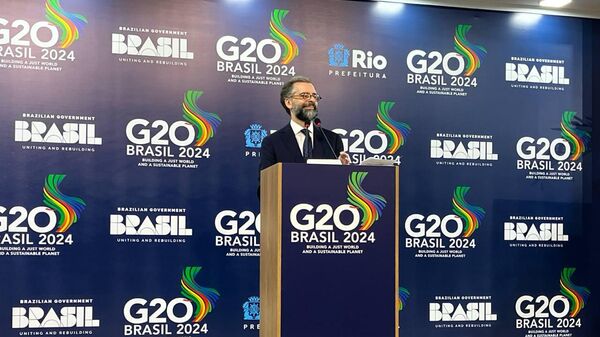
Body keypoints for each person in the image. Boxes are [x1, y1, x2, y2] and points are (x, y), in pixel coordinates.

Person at [259, 76, 350, 173]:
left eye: (314, 96)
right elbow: (265, 184)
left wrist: (344, 170)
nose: (311, 100)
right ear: (288, 102)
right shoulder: (272, 142)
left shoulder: (332, 140)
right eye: (304, 96)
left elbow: (339, 181)